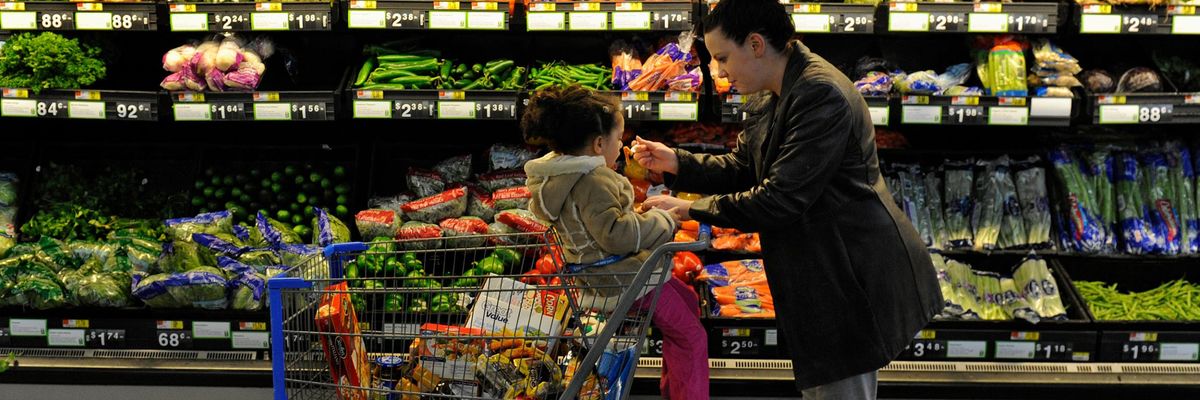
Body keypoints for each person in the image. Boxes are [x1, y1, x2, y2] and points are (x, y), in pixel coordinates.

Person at [634, 0, 943, 398]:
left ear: (757, 44)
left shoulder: (820, 94)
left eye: (723, 58)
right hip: (819, 264)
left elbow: (779, 199)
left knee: (840, 389)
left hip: (849, 271)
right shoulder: (772, 89)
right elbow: (746, 165)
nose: (719, 71)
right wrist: (678, 162)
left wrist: (691, 208)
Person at [520, 85, 709, 400]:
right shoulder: (593, 181)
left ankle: (675, 390)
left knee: (688, 301)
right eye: (618, 138)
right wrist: (662, 222)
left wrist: (637, 214)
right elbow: (615, 235)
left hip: (609, 274)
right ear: (597, 144)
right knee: (692, 337)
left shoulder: (563, 178)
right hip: (623, 279)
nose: (620, 144)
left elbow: (598, 226)